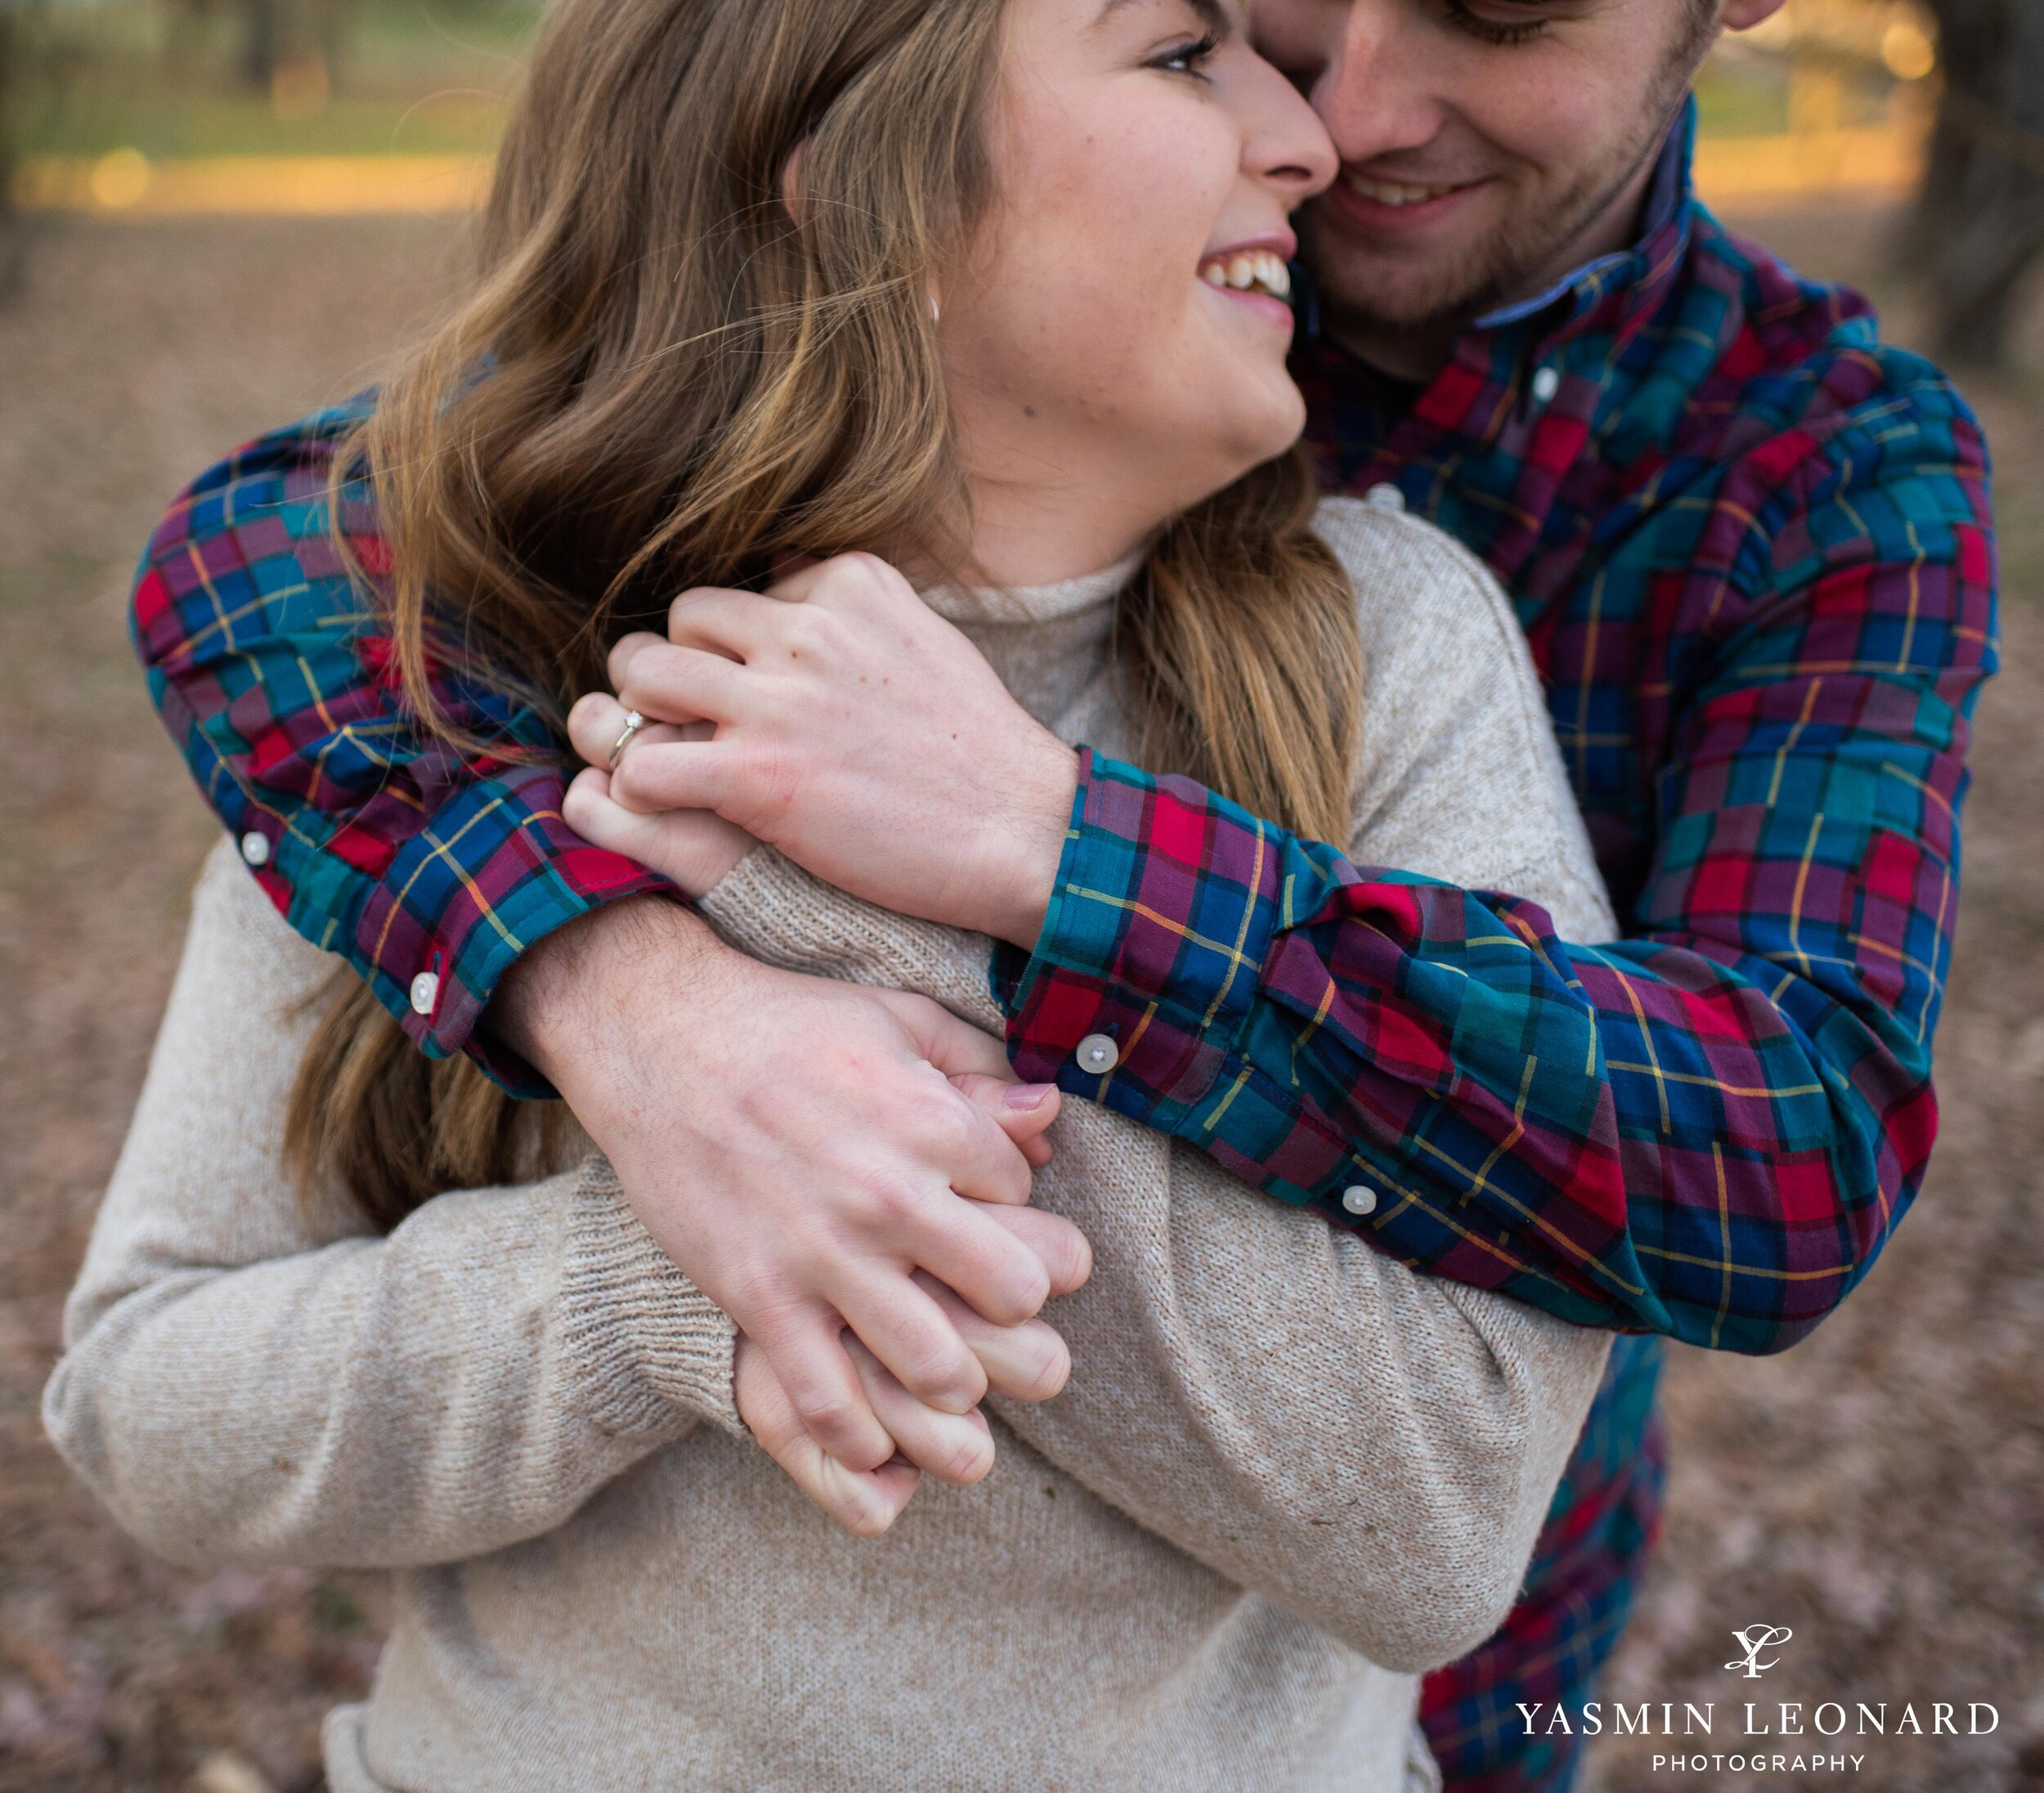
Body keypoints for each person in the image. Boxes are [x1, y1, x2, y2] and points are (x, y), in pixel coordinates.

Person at [109, 0, 1999, 1786]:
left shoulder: (1745, 501)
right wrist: (635, 1020)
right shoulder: (492, 634)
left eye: (1497, 17)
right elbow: (270, 552)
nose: (1331, 123)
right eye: (1230, 33)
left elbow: (1769, 1155)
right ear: (860, 176)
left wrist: (1009, 870)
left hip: (1400, 1676)